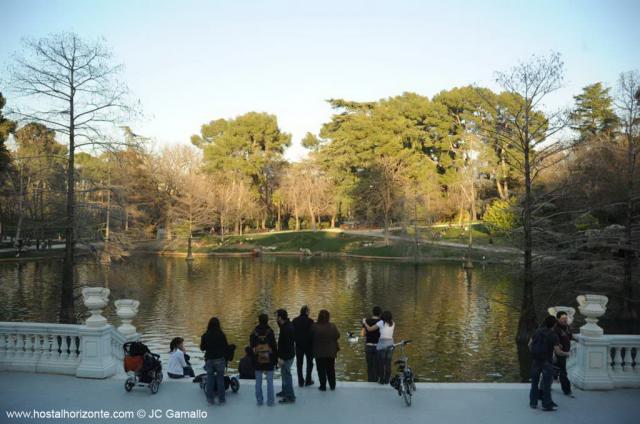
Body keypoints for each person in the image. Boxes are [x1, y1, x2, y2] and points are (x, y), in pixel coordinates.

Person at [529, 315, 570, 411]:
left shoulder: (537, 331)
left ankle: (533, 403)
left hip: (536, 360)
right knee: (547, 385)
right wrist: (566, 353)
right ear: (554, 324)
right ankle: (546, 404)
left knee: (534, 383)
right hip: (546, 361)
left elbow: (529, 344)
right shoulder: (553, 335)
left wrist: (534, 353)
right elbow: (558, 352)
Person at [250, 313, 278, 406]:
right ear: (267, 320)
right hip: (269, 360)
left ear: (259, 320)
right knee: (270, 382)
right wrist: (275, 360)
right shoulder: (270, 331)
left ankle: (259, 401)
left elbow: (251, 346)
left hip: (257, 360)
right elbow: (274, 346)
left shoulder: (254, 332)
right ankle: (270, 401)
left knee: (258, 382)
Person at [200, 317, 229, 405]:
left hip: (210, 359)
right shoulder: (222, 335)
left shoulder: (205, 335)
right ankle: (222, 399)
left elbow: (202, 348)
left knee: (210, 379)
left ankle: (210, 399)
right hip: (220, 359)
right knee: (220, 379)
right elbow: (225, 347)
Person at [363, 310, 394, 384]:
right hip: (390, 343)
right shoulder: (393, 323)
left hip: (382, 343)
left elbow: (370, 329)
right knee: (388, 363)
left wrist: (365, 322)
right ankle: (387, 380)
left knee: (381, 362)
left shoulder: (381, 323)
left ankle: (381, 380)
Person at [312, 309, 340, 391]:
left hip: (319, 352)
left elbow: (310, 336)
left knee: (321, 369)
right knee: (331, 369)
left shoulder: (315, 326)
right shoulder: (332, 326)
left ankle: (323, 386)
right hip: (331, 352)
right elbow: (338, 335)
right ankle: (332, 385)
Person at [554, 311, 576, 397]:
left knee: (554, 370)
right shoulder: (555, 329)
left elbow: (570, 336)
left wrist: (577, 339)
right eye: (563, 318)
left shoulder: (566, 327)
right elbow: (553, 342)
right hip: (559, 353)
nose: (565, 320)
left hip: (565, 352)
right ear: (558, 319)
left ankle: (544, 386)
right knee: (563, 372)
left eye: (566, 318)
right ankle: (567, 390)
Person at [276, 309, 296, 404]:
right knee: (284, 375)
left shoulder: (285, 329)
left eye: (277, 316)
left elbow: (285, 345)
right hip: (290, 354)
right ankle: (285, 392)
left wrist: (281, 358)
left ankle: (290, 396)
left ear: (280, 317)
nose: (276, 318)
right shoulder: (288, 325)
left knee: (286, 376)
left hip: (286, 356)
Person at [292, 305, 315, 387]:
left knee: (299, 363)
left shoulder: (294, 320)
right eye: (308, 311)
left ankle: (300, 381)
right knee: (310, 363)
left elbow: (292, 333)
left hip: (298, 345)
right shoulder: (310, 321)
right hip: (309, 346)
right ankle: (308, 380)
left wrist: (295, 341)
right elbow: (313, 334)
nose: (309, 312)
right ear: (306, 312)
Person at [360, 306, 381, 382]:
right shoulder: (381, 322)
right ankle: (377, 380)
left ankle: (370, 381)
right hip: (378, 346)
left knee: (370, 365)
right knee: (377, 365)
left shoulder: (367, 321)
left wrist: (368, 334)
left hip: (369, 345)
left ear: (373, 312)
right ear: (380, 313)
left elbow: (362, 334)